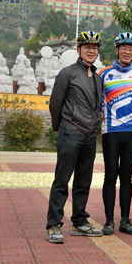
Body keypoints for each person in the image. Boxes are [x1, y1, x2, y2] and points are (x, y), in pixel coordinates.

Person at [46, 31, 104, 244]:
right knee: (62, 181)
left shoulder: (97, 77)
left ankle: (79, 221)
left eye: (95, 48)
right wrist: (58, 127)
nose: (91, 51)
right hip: (70, 133)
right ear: (78, 50)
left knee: (83, 182)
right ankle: (53, 224)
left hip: (89, 136)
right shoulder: (67, 73)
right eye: (87, 47)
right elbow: (55, 103)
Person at [98, 33, 132, 236]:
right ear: (116, 50)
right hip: (111, 130)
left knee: (127, 177)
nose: (127, 52)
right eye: (124, 48)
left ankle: (125, 220)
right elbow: (97, 101)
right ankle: (109, 220)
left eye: (131, 49)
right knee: (110, 176)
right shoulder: (104, 73)